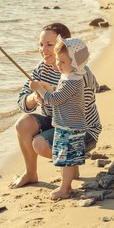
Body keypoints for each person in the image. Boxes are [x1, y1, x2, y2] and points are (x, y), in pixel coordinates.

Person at [9, 23, 101, 190]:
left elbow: (79, 111)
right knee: (23, 123)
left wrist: (49, 95)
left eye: (50, 45)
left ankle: (71, 165)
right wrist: (35, 97)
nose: (44, 49)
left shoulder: (80, 72)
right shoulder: (41, 68)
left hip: (82, 128)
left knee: (40, 144)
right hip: (57, 121)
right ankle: (30, 173)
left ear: (63, 45)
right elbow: (22, 102)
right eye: (41, 44)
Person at [29, 37, 88, 199]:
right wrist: (50, 88)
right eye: (57, 60)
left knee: (66, 158)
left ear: (75, 64)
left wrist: (40, 89)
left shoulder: (72, 82)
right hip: (68, 124)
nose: (58, 65)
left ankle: (65, 189)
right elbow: (61, 96)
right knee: (64, 156)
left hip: (69, 126)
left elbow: (54, 100)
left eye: (62, 62)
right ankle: (66, 184)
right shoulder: (70, 77)